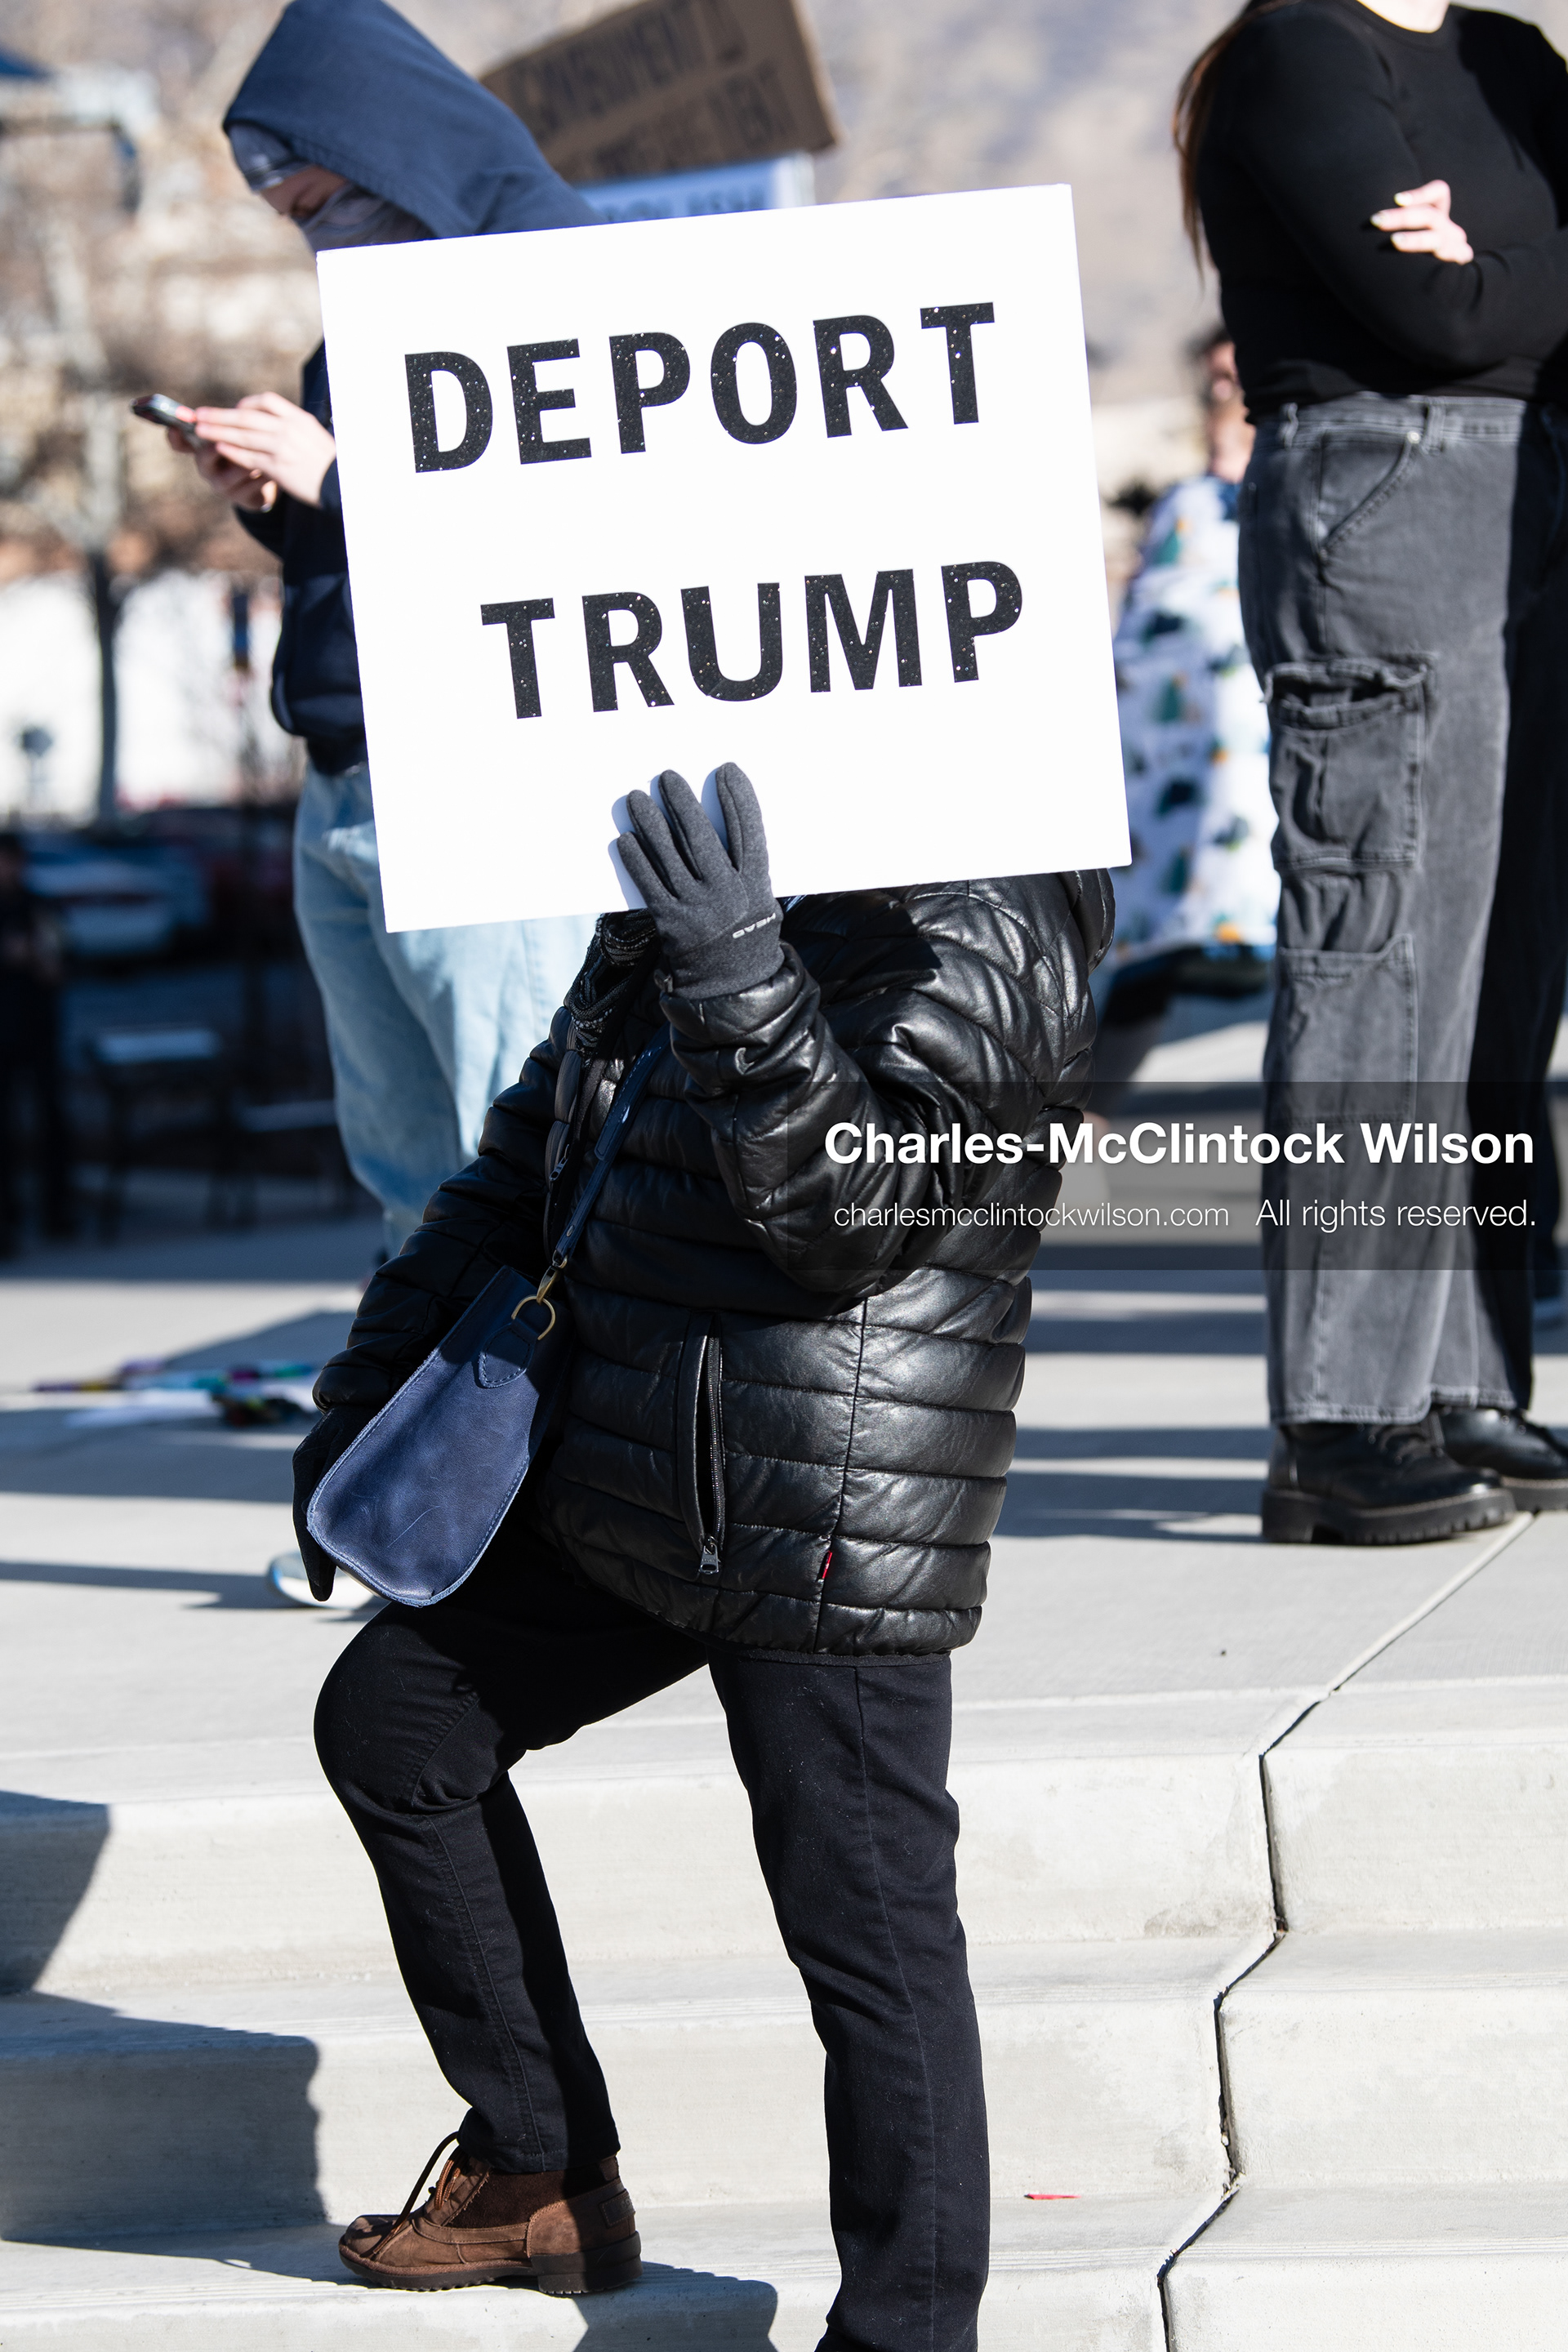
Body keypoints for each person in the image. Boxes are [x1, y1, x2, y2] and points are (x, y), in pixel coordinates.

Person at [292, 766, 1112, 2345]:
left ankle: (908, 2328)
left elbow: (846, 1221)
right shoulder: (724, 850)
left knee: (865, 1934)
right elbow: (525, 1164)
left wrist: (735, 963)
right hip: (637, 1472)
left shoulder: (993, 904)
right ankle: (541, 2166)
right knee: (395, 1725)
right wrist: (363, 1405)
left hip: (828, 1504)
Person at [1176, 0, 1568, 1539]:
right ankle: (1343, 1419)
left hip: (1534, 494)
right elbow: (1441, 326)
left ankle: (1463, 1380)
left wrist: (1494, 263)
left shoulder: (1514, 61)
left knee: (1502, 970)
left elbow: (1486, 302)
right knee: (1381, 961)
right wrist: (1504, 282)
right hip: (1382, 495)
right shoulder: (1297, 54)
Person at [165, 0, 599, 1261]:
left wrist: (342, 479)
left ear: (387, 153)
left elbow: (579, 531)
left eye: (318, 207)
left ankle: (553, 1450)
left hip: (479, 771)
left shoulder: (551, 277)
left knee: (515, 1152)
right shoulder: (360, 322)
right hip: (343, 784)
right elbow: (382, 555)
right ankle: (440, 1449)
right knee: (414, 1180)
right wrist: (276, 503)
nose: (317, 244)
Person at [1097, 330, 1274, 1098]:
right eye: (1212, 384)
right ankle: (1076, 1128)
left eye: (1235, 381)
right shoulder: (1185, 503)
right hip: (1178, 761)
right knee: (1151, 941)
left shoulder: (1288, 491)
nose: (1222, 398)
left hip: (1269, 759)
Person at [0, 831, 72, 1252]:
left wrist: (44, 960)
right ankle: (6, 1222)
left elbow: (62, 957)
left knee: (52, 1119)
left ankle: (56, 1212)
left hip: (39, 1028)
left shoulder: (39, 905)